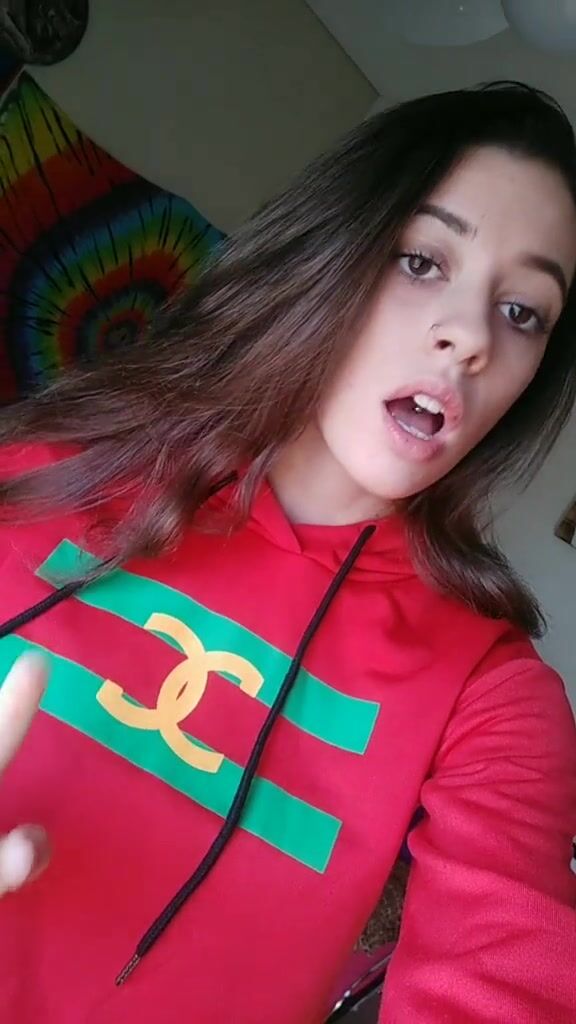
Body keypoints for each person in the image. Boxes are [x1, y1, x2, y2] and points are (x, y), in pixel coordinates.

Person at [0, 80, 575, 1024]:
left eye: (524, 313)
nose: (471, 336)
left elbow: (507, 981)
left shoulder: (490, 696)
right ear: (328, 254)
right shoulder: (41, 470)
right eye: (422, 260)